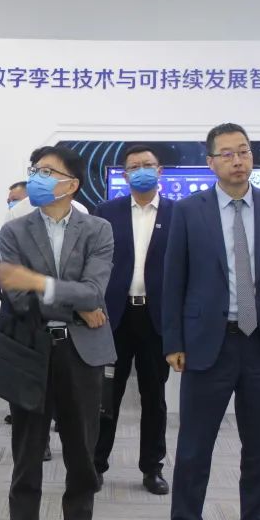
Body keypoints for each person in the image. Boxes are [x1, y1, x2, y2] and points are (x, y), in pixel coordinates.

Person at [162, 122, 260, 520]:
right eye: (227, 153)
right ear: (210, 162)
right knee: (194, 446)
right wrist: (173, 340)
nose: (238, 160)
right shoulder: (189, 211)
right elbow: (174, 280)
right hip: (209, 343)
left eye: (244, 151)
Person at [0, 145, 116, 520]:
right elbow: (16, 297)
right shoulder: (14, 230)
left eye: (48, 171)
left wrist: (39, 282)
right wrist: (73, 301)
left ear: (72, 184)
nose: (38, 177)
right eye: (35, 170)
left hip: (80, 357)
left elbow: (95, 292)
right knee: (27, 457)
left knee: (83, 458)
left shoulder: (98, 229)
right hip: (31, 352)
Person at [91, 145, 173, 495]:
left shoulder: (178, 213)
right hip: (114, 317)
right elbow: (92, 263)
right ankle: (95, 465)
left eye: (147, 165)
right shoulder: (106, 212)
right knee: (106, 395)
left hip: (156, 319)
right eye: (134, 167)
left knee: (154, 397)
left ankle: (152, 468)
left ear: (160, 170)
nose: (141, 171)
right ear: (125, 175)